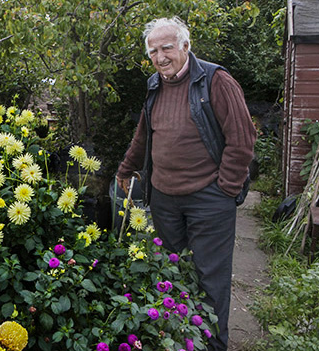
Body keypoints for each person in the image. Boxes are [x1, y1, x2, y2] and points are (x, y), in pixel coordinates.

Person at [115, 17, 256, 351]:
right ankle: (179, 339)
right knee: (170, 271)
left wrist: (226, 188)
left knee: (211, 277)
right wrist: (125, 169)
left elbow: (242, 140)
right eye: (153, 51)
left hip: (209, 197)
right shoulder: (155, 85)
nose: (160, 57)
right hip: (164, 198)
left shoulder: (215, 81)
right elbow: (144, 135)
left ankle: (214, 344)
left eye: (167, 48)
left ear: (185, 46)